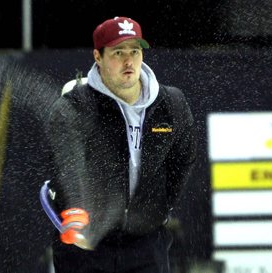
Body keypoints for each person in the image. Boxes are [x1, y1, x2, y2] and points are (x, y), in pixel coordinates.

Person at [46, 16, 197, 273]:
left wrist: (158, 209)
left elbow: (182, 162)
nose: (129, 61)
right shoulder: (74, 108)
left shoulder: (171, 104)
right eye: (118, 52)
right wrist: (77, 210)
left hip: (146, 244)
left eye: (135, 52)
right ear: (98, 56)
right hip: (87, 245)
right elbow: (64, 166)